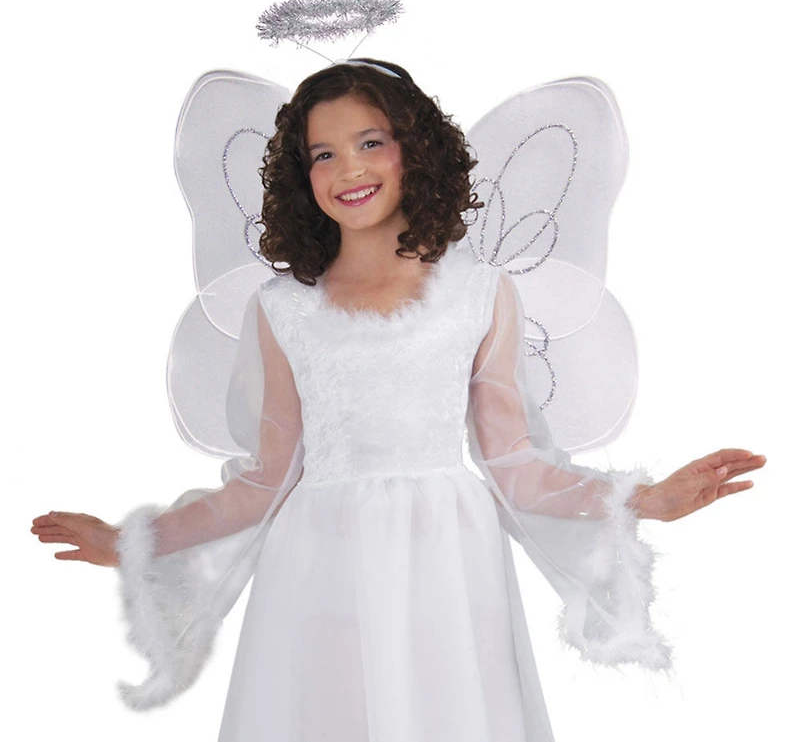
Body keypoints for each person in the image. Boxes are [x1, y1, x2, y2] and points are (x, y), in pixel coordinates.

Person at [31, 58, 766, 741]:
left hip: (447, 560)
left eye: (370, 142)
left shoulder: (477, 293)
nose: (348, 168)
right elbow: (262, 483)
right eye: (323, 153)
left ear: (415, 150)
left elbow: (516, 468)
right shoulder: (285, 309)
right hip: (320, 565)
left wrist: (644, 499)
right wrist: (134, 541)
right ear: (302, 177)